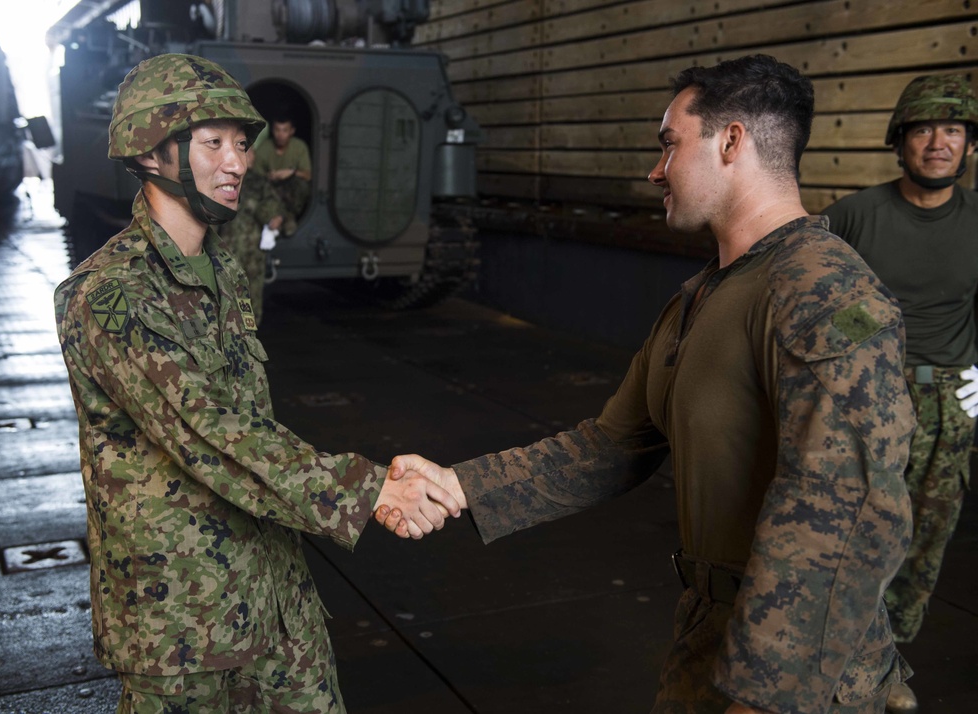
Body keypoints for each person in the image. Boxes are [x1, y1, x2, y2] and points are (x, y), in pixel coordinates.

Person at [378, 54, 917, 713]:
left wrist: (765, 697)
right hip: (712, 636)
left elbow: (841, 506)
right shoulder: (700, 298)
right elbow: (607, 448)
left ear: (731, 141)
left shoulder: (821, 287)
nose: (655, 170)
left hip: (806, 673)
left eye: (668, 145)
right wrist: (456, 487)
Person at [53, 53, 459, 713]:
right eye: (213, 143)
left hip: (273, 593)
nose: (238, 161)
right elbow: (212, 434)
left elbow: (254, 425)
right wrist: (366, 489)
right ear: (152, 152)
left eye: (242, 143)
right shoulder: (108, 294)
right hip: (182, 624)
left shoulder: (222, 271)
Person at [822, 74, 978, 713]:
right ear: (900, 141)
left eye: (953, 130)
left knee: (923, 548)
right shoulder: (857, 214)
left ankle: (888, 667)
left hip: (950, 403)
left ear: (970, 145)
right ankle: (846, 665)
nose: (938, 142)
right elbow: (821, 314)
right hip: (868, 400)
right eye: (923, 129)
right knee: (853, 541)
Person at [219, 147, 292, 326]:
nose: (248, 157)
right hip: (225, 250)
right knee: (223, 295)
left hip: (252, 253)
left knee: (250, 296)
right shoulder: (220, 178)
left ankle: (248, 338)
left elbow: (276, 210)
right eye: (244, 152)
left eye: (250, 153)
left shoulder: (260, 183)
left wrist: (277, 219)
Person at [253, 111, 312, 225]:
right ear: (272, 131)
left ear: (292, 131)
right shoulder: (264, 148)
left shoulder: (299, 147)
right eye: (277, 130)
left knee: (302, 186)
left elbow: (308, 175)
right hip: (270, 189)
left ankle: (286, 217)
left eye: (285, 130)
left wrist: (291, 172)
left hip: (291, 192)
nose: (280, 135)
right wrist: (269, 177)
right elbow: (256, 178)